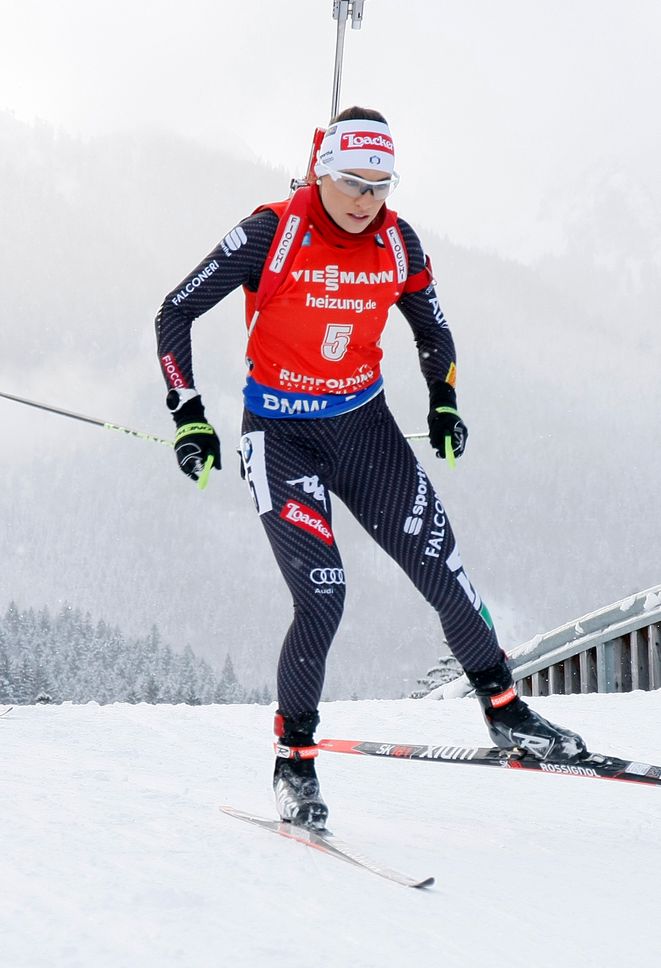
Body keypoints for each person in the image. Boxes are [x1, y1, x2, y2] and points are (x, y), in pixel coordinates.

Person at [155, 107, 586, 830]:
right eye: (353, 181)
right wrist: (188, 414)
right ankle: (294, 764)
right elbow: (174, 313)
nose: (366, 200)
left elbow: (432, 327)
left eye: (380, 185)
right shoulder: (271, 230)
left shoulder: (398, 241)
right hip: (279, 436)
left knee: (444, 571)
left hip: (365, 430)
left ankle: (506, 712)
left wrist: (443, 401)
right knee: (322, 598)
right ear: (323, 170)